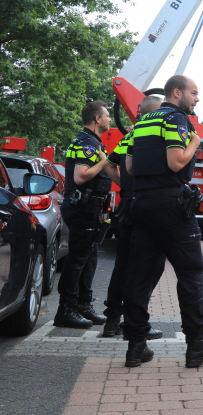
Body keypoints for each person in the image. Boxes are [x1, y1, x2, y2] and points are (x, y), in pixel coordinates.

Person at [122, 75, 203, 368]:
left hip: (141, 205)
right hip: (171, 207)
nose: (197, 99)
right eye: (194, 93)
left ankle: (136, 346)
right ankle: (197, 344)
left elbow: (129, 166)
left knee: (140, 276)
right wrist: (195, 141)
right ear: (177, 92)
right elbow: (176, 162)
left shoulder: (141, 123)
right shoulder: (178, 119)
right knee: (191, 275)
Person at [101, 95, 165, 339]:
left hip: (127, 206)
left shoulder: (130, 135)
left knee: (123, 265)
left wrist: (124, 188)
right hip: (146, 205)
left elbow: (109, 164)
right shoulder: (154, 134)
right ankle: (136, 323)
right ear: (155, 113)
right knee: (149, 267)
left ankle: (112, 322)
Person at [54, 101, 117, 329]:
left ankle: (83, 304)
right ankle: (66, 309)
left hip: (89, 209)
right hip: (81, 208)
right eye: (108, 116)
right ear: (97, 119)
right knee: (79, 258)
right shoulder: (86, 144)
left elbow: (106, 172)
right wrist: (103, 162)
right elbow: (81, 177)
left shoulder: (94, 143)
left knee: (89, 258)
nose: (111, 119)